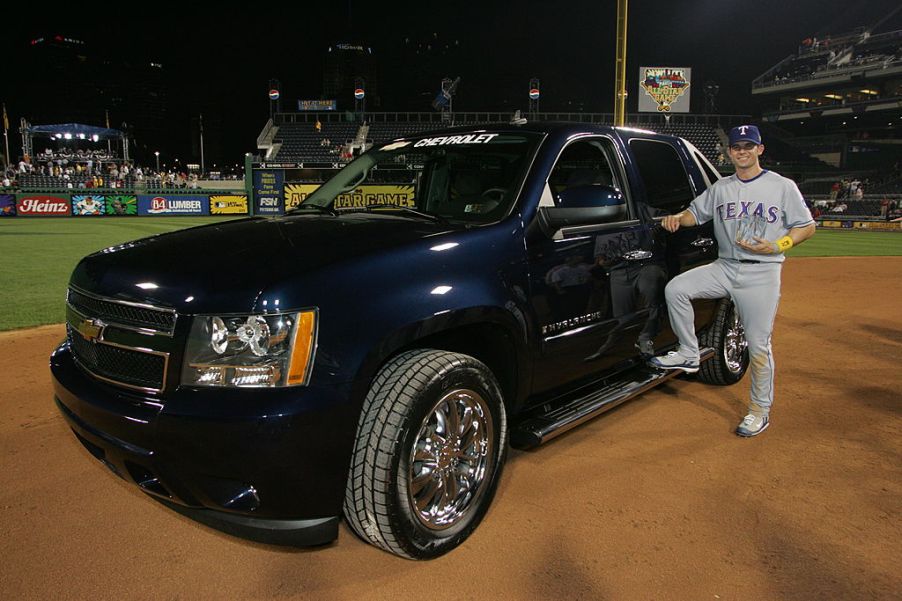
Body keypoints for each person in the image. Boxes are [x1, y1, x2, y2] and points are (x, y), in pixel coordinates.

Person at [648, 125, 816, 437]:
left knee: (759, 346)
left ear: (759, 150)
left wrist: (779, 245)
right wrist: (677, 218)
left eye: (748, 146)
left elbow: (806, 227)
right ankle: (689, 352)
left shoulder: (782, 186)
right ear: (729, 152)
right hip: (725, 266)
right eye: (737, 147)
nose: (742, 151)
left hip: (762, 272)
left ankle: (759, 411)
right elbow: (694, 214)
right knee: (677, 289)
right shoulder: (721, 188)